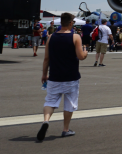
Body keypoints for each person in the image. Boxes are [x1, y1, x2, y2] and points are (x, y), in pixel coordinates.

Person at [38, 12, 88, 142]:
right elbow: (81, 56)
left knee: (50, 101)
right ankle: (65, 129)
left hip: (54, 76)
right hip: (71, 76)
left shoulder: (51, 37)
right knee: (69, 103)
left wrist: (44, 74)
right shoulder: (75, 37)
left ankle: (46, 121)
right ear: (71, 23)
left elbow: (46, 59)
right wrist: (85, 52)